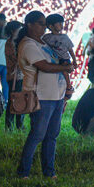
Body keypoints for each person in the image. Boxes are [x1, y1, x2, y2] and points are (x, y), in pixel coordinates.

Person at [17, 11, 76, 178]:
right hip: (40, 95)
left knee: (51, 136)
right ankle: (24, 172)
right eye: (41, 23)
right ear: (29, 24)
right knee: (37, 135)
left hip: (55, 95)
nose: (45, 27)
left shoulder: (43, 43)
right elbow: (44, 66)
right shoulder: (28, 44)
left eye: (45, 24)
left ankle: (49, 172)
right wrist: (66, 68)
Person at [4, 21, 26, 131]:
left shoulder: (16, 42)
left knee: (19, 100)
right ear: (13, 31)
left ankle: (17, 124)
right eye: (19, 29)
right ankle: (12, 125)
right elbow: (17, 59)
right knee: (14, 101)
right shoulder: (11, 43)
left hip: (19, 76)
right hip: (15, 76)